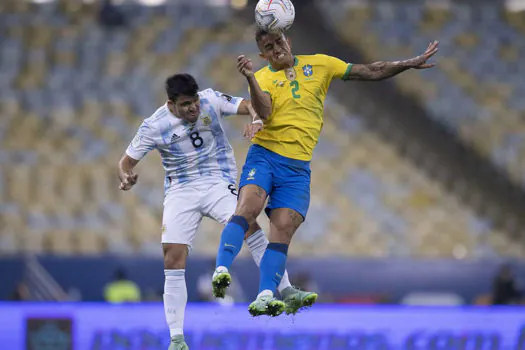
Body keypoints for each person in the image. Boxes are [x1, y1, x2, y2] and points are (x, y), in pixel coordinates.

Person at [213, 29, 439, 317]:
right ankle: (221, 269)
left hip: (297, 168)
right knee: (248, 207)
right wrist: (249, 77)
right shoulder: (263, 78)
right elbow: (265, 113)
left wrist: (407, 63)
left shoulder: (320, 64)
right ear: (263, 55)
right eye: (268, 48)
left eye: (278, 42)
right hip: (266, 156)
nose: (276, 49)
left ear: (288, 41)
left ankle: (266, 295)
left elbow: (371, 70)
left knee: (282, 227)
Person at [118, 73, 311, 350]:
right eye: (185, 104)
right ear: (171, 104)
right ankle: (176, 338)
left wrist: (256, 118)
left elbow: (250, 104)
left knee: (249, 224)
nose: (193, 108)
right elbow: (125, 163)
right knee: (172, 257)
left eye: (194, 101)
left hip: (217, 181)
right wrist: (126, 176)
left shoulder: (210, 99)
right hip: (181, 191)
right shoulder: (153, 126)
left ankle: (285, 290)